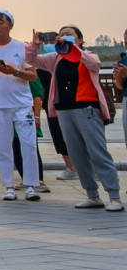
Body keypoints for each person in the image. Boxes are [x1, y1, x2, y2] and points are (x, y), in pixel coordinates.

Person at [32, 26, 123, 212]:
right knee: (76, 154)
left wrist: (75, 50)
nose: (64, 36)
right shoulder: (55, 59)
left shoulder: (89, 55)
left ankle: (114, 196)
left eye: (69, 34)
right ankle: (92, 195)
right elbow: (32, 61)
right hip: (64, 110)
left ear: (80, 40)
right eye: (62, 34)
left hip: (87, 109)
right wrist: (34, 45)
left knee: (97, 152)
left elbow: (95, 65)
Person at [0, 7, 41, 202]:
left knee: (28, 145)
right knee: (1, 147)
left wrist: (15, 72)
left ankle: (30, 185)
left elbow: (33, 75)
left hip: (21, 104)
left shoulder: (22, 47)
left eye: (0, 22)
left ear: (10, 24)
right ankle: (8, 186)